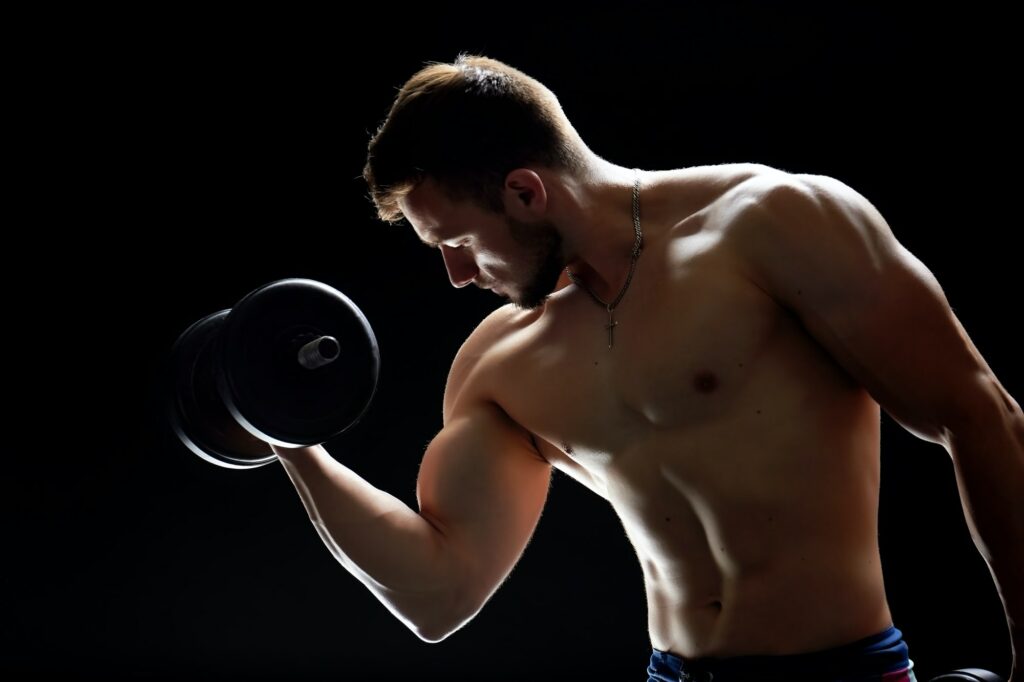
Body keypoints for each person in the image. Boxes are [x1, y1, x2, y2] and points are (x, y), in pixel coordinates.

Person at [272, 55, 1022, 681]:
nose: (456, 277)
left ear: (526, 192)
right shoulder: (500, 361)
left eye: (459, 243)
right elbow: (440, 595)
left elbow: (980, 416)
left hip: (840, 670)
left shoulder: (775, 224)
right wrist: (288, 437)